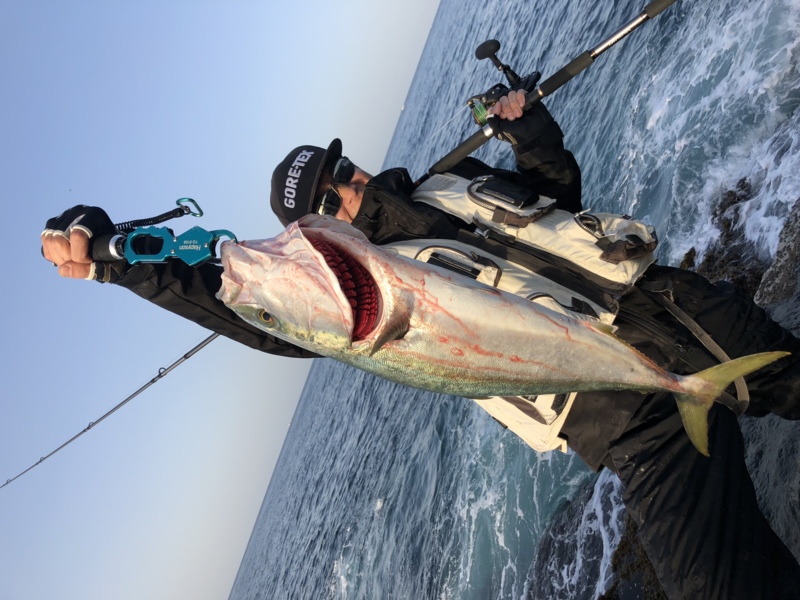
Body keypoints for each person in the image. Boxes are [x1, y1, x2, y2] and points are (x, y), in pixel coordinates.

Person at [42, 91, 800, 597]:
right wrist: (120, 263)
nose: (348, 186)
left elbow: (556, 196)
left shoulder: (448, 183)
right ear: (321, 229)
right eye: (328, 198)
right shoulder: (354, 295)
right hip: (631, 429)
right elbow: (258, 316)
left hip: (674, 310)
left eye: (340, 169)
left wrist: (528, 126)